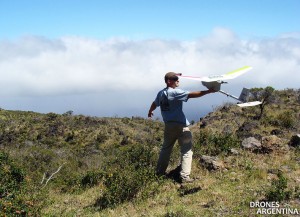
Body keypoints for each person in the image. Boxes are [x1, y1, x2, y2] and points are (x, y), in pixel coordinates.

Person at [148, 72, 216, 183]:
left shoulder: (161, 93)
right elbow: (192, 94)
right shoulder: (174, 92)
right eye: (176, 79)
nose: (178, 81)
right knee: (187, 150)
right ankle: (185, 177)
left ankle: (159, 173)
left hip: (168, 125)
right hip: (180, 125)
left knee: (166, 149)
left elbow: (154, 103)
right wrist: (208, 91)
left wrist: (150, 111)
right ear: (169, 82)